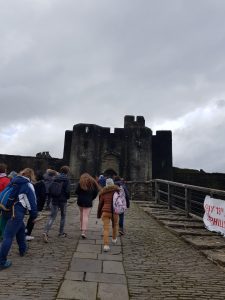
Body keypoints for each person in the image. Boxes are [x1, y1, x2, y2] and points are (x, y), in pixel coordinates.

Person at [0, 168, 37, 270]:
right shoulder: (27, 185)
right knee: (8, 236)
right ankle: (1, 261)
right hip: (16, 212)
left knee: (21, 228)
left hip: (6, 209)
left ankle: (23, 249)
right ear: (31, 176)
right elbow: (32, 202)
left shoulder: (13, 181)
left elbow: (4, 194)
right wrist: (33, 215)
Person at [42, 166, 70, 243]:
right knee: (63, 216)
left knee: (52, 216)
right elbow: (67, 191)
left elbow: (50, 188)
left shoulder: (55, 178)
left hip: (55, 199)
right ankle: (61, 233)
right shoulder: (67, 179)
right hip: (63, 200)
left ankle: (45, 231)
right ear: (67, 172)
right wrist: (67, 197)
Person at [97, 178, 120, 252]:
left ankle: (106, 245)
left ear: (106, 184)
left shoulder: (103, 192)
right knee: (115, 226)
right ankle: (114, 239)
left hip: (105, 212)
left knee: (106, 229)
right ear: (113, 183)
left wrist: (99, 214)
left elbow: (100, 204)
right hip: (115, 212)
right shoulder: (117, 191)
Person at [75, 173, 100, 238]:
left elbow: (76, 192)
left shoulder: (80, 183)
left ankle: (81, 226)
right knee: (85, 215)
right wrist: (91, 198)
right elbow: (96, 192)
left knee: (81, 213)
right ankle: (83, 231)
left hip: (80, 200)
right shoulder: (93, 183)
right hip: (88, 201)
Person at [25, 171, 46, 241]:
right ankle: (27, 234)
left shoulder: (33, 184)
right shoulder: (41, 184)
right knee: (32, 219)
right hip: (37, 204)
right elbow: (43, 196)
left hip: (32, 203)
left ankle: (26, 232)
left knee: (31, 219)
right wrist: (41, 206)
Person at [0, 163, 11, 241]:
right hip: (2, 202)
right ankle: (2, 235)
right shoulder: (6, 180)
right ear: (5, 170)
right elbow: (8, 192)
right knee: (3, 219)